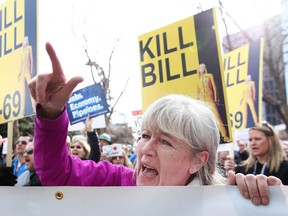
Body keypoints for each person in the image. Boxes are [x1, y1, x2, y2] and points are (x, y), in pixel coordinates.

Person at [28, 42, 283, 206]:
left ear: (198, 159)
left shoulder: (223, 201)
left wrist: (260, 203)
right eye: (145, 135)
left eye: (165, 141)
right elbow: (58, 173)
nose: (145, 149)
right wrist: (51, 115)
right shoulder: (119, 182)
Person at [196, 63, 229, 143]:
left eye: (203, 67)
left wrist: (216, 98)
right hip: (202, 100)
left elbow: (215, 87)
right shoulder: (198, 80)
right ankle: (209, 140)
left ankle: (225, 136)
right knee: (204, 120)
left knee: (217, 118)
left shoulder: (209, 76)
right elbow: (197, 92)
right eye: (200, 68)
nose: (202, 69)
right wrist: (196, 101)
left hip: (209, 98)